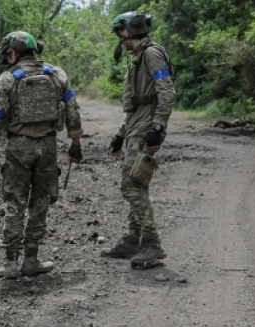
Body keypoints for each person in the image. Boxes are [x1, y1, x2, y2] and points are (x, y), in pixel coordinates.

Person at [0, 31, 82, 279]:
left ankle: (12, 264)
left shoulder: (8, 79)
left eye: (8, 55)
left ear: (13, 53)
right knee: (40, 203)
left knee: (15, 202)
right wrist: (75, 143)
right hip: (47, 146)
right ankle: (32, 261)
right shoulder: (57, 74)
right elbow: (72, 110)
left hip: (18, 148)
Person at [102, 12, 175, 269]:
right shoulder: (137, 57)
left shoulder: (151, 54)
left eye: (120, 33)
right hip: (136, 125)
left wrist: (157, 127)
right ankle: (133, 240)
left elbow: (166, 91)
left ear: (128, 32)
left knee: (131, 185)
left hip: (146, 128)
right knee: (137, 184)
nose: (119, 39)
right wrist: (120, 134)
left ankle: (152, 243)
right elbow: (135, 104)